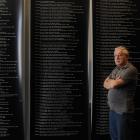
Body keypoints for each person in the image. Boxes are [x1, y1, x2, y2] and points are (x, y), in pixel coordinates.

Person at [103, 46, 138, 140]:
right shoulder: (116, 69)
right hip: (113, 110)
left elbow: (113, 85)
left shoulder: (131, 70)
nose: (117, 58)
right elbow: (104, 83)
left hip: (123, 112)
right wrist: (111, 82)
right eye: (115, 56)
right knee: (114, 137)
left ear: (126, 57)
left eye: (120, 55)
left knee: (122, 138)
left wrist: (112, 81)